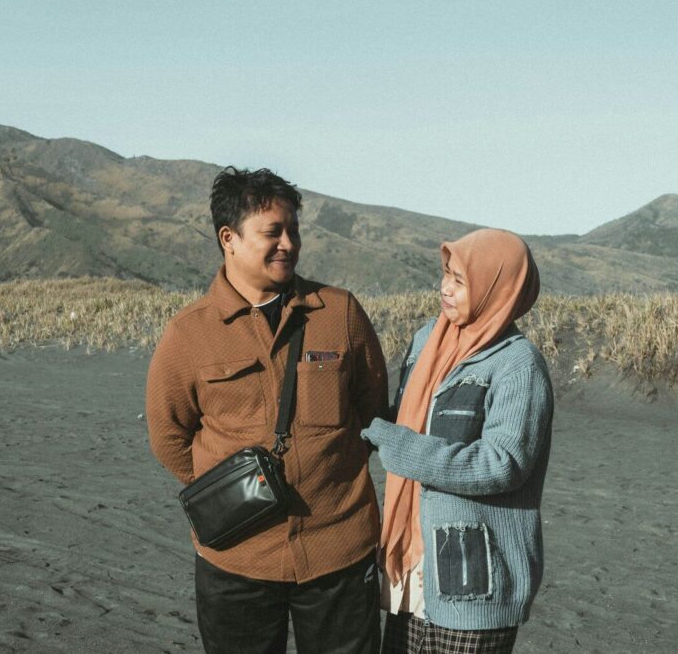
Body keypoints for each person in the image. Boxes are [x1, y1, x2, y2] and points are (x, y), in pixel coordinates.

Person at [146, 167, 388, 654]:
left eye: (293, 230)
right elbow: (168, 436)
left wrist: (326, 479)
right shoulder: (189, 333)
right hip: (236, 557)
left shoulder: (339, 312)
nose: (288, 244)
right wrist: (229, 490)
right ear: (228, 238)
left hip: (338, 551)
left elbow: (372, 413)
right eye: (273, 232)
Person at [361, 228, 554, 653]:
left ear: (497, 289)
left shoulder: (519, 365)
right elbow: (408, 417)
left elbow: (503, 463)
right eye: (446, 274)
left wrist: (404, 450)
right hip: (411, 565)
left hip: (473, 576)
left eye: (461, 281)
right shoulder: (428, 340)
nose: (445, 288)